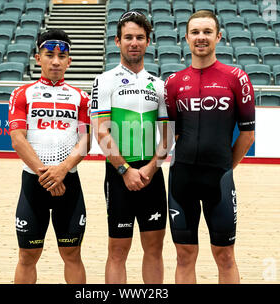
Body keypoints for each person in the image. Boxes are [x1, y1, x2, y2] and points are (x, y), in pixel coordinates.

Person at [164, 10, 256, 284]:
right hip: (182, 178)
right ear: (186, 37)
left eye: (206, 32)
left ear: (218, 36)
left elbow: (248, 135)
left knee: (225, 255)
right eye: (195, 32)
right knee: (184, 255)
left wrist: (226, 166)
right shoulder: (173, 82)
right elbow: (172, 134)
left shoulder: (236, 78)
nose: (201, 37)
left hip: (219, 178)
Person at [91, 10, 171, 284]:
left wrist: (150, 167)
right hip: (118, 174)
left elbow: (167, 135)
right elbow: (100, 131)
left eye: (139, 37)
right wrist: (125, 170)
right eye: (128, 37)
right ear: (117, 41)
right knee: (117, 251)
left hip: (152, 175)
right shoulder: (103, 80)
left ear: (148, 42)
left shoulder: (159, 86)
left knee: (154, 249)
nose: (134, 42)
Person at [8, 29, 91, 284]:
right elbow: (17, 138)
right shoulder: (22, 93)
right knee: (27, 255)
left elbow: (86, 140)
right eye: (49, 55)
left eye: (61, 55)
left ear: (69, 61)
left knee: (72, 253)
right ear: (37, 58)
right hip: (35, 183)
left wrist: (62, 170)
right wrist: (48, 175)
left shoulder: (81, 97)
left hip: (69, 183)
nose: (55, 60)